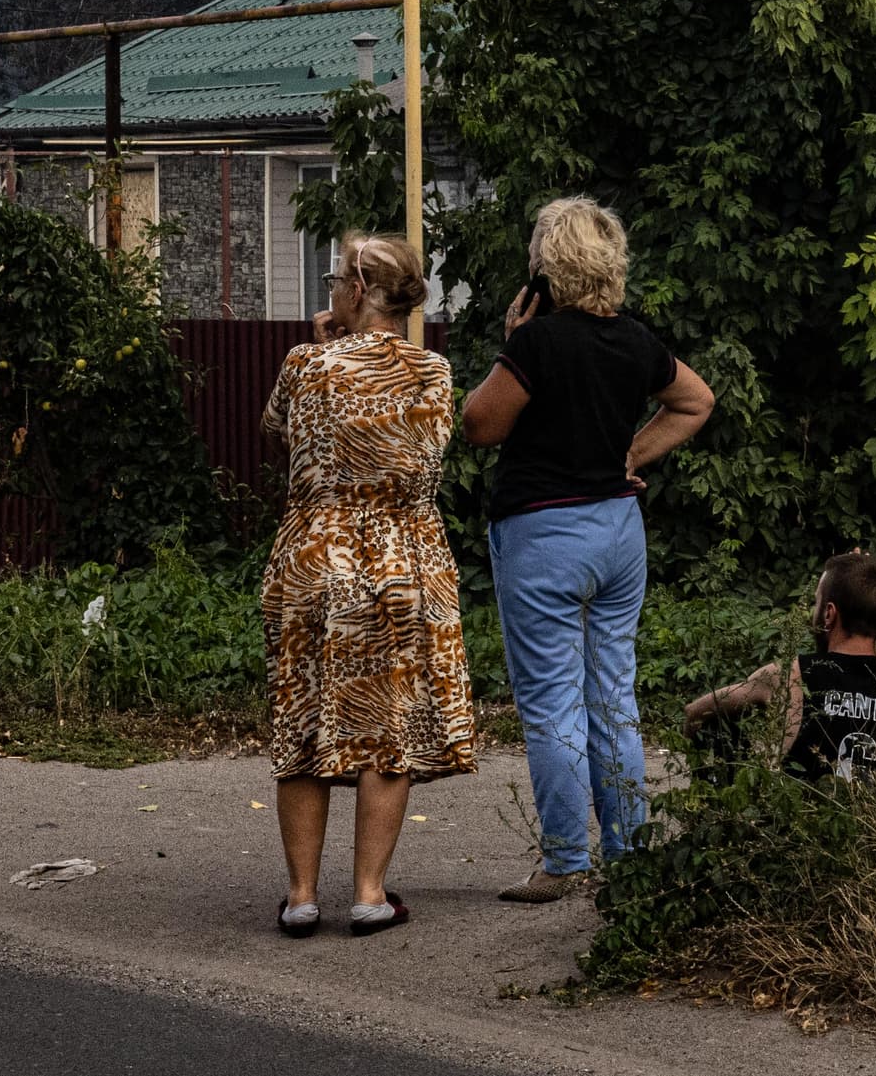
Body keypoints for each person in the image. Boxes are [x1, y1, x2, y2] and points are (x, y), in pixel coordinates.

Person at [457, 194, 715, 903]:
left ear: (547, 266)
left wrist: (513, 338)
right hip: (617, 533)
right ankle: (629, 851)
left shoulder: (537, 343)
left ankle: (567, 859)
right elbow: (696, 400)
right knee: (613, 695)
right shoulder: (636, 340)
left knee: (551, 704)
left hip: (544, 534)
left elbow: (479, 423)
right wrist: (632, 451)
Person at [258, 234, 476, 938]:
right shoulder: (432, 372)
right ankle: (369, 893)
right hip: (399, 561)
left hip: (315, 560)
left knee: (305, 717)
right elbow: (432, 452)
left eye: (332, 280)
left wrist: (322, 347)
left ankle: (299, 897)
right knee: (387, 724)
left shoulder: (304, 365)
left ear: (357, 288)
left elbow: (276, 433)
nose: (329, 291)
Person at [683, 549, 876, 782]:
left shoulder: (792, 675)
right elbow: (874, 674)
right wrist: (862, 588)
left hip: (806, 821)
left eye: (817, 601)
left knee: (720, 721)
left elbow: (696, 712)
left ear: (828, 614)